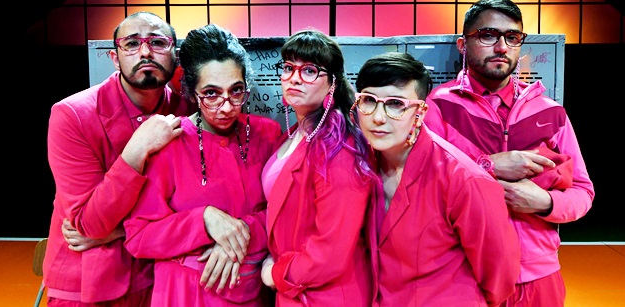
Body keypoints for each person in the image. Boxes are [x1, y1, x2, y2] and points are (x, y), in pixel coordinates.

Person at [424, 0, 595, 307]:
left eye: (512, 37)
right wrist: (488, 166)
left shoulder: (550, 111)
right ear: (463, 45)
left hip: (538, 278)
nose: (502, 47)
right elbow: (422, 188)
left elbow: (583, 191)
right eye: (488, 35)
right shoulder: (438, 106)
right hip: (461, 273)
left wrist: (545, 202)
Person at [123, 23, 282, 307]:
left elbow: (288, 213)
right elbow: (138, 236)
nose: (226, 106)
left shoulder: (267, 134)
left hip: (251, 291)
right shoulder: (170, 143)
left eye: (236, 91)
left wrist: (238, 234)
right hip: (184, 293)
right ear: (191, 92)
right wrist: (204, 220)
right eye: (211, 93)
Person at [44, 11, 192, 306]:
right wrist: (136, 151)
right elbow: (89, 225)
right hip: (89, 277)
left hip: (161, 272)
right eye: (132, 43)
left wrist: (120, 230)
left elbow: (193, 203)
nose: (145, 52)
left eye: (157, 43)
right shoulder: (72, 115)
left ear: (175, 56)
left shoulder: (186, 111)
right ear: (115, 57)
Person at [354, 51, 521, 306]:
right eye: (369, 100)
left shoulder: (463, 179)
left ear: (420, 112)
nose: (378, 117)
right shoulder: (361, 164)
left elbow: (500, 273)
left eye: (396, 104)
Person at [260, 29, 377, 306]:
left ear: (332, 82)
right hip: (298, 290)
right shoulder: (294, 134)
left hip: (328, 293)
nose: (295, 78)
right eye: (288, 68)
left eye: (310, 71)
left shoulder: (339, 147)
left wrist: (275, 274)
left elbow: (332, 251)